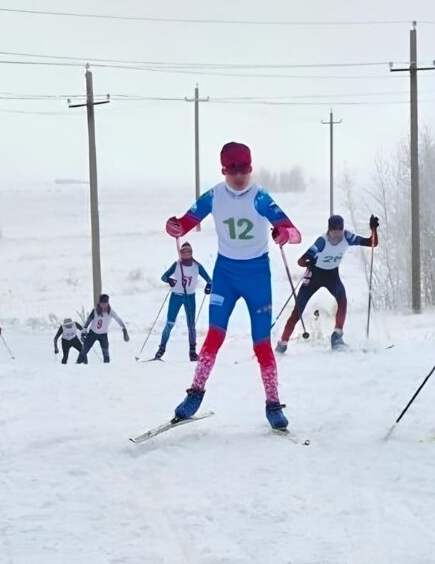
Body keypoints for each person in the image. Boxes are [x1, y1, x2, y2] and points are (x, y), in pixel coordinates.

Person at [164, 141, 302, 429]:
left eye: (245, 170)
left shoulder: (260, 196)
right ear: (224, 170)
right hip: (225, 273)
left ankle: (273, 404)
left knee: (261, 343)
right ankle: (195, 393)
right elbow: (186, 223)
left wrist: (283, 234)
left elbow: (294, 233)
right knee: (214, 335)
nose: (240, 176)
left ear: (251, 169)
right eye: (233, 170)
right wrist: (174, 227)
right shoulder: (214, 196)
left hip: (257, 276)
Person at [277, 214, 378, 353]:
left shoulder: (347, 237)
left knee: (342, 301)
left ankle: (337, 337)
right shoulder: (322, 242)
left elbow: (372, 243)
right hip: (314, 276)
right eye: (334, 231)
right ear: (329, 230)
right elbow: (301, 261)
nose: (338, 234)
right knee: (298, 311)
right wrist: (309, 262)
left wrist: (373, 229)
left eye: (340, 230)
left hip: (332, 276)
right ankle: (282, 343)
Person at [154, 242, 213, 361]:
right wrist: (169, 280)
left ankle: (192, 351)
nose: (186, 254)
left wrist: (208, 287)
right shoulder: (176, 265)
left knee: (191, 325)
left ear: (191, 253)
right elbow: (164, 277)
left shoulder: (197, 266)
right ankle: (161, 349)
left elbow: (209, 280)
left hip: (189, 297)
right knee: (170, 323)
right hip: (176, 296)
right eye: (183, 252)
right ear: (180, 254)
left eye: (188, 252)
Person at [76, 294, 129, 364]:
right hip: (93, 333)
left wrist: (124, 329)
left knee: (105, 351)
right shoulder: (95, 311)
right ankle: (78, 363)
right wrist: (84, 330)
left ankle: (106, 367)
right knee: (85, 349)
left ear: (107, 303)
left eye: (105, 303)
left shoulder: (111, 312)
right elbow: (88, 321)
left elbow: (118, 320)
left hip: (103, 334)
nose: (103, 305)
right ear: (99, 303)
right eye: (102, 303)